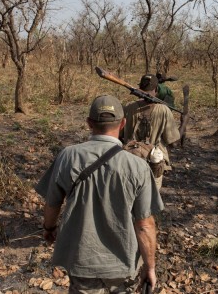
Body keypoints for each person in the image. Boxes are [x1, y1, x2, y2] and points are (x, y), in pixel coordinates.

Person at [35, 95, 164, 293]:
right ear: (122, 124)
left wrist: (49, 228)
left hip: (82, 262)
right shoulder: (138, 166)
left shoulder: (67, 156)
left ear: (89, 123)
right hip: (122, 265)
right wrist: (150, 267)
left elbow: (52, 203)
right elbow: (145, 225)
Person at [123, 74, 180, 190]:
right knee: (150, 201)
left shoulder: (128, 108)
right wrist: (183, 125)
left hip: (130, 162)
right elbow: (173, 142)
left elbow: (120, 136)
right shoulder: (164, 110)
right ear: (157, 89)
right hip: (154, 164)